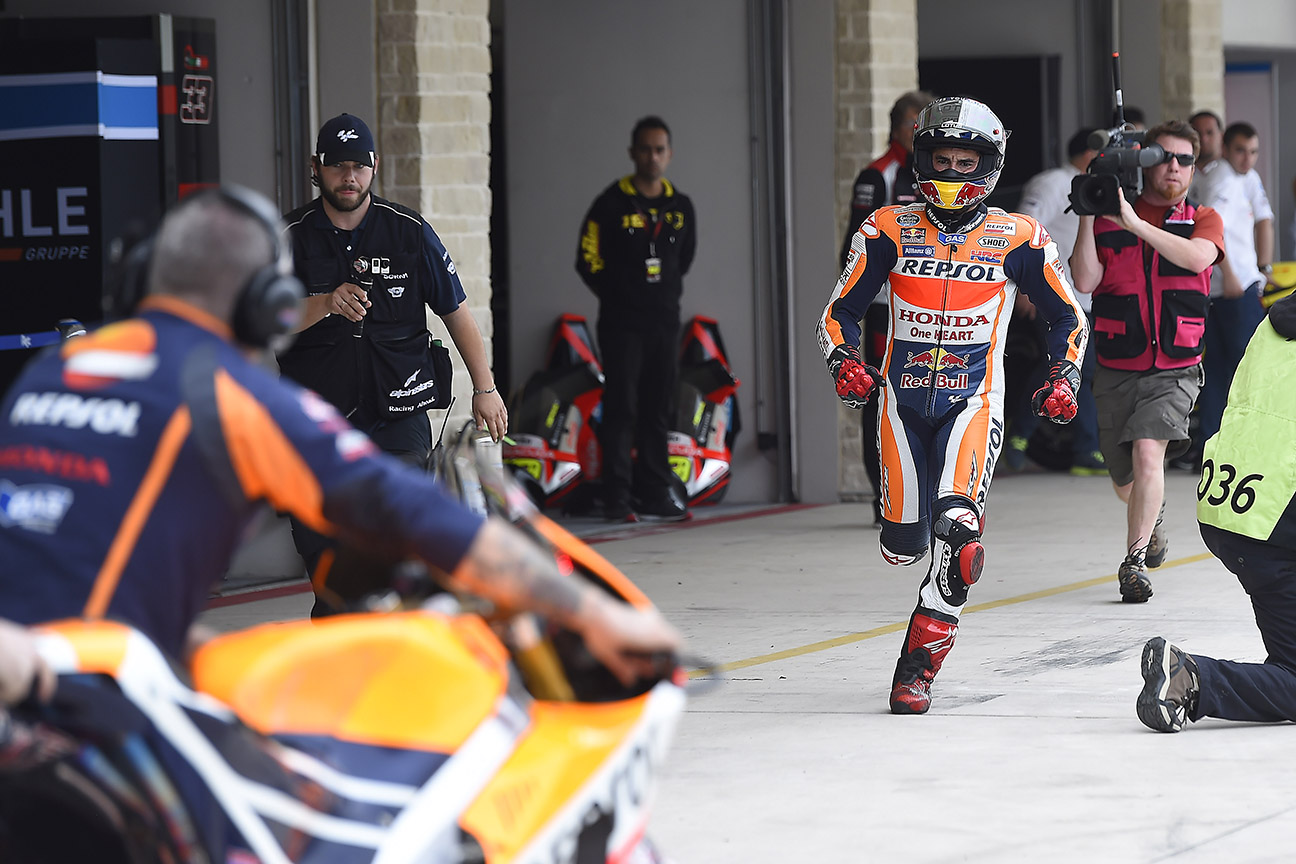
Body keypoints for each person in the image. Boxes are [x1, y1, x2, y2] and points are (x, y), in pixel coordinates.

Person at [0, 186, 679, 683]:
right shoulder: (233, 400)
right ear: (265, 306)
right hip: (83, 695)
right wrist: (588, 610)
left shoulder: (52, 373)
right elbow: (424, 520)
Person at [818, 97, 1088, 715]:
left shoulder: (1019, 236)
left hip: (976, 400)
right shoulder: (885, 226)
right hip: (898, 403)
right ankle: (906, 533)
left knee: (959, 538)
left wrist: (1063, 377)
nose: (953, 172)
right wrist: (845, 363)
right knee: (903, 543)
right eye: (942, 159)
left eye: (967, 161)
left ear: (990, 165)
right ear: (920, 160)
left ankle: (916, 671)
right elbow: (840, 311)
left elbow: (1065, 316)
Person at [275, 114, 508, 604]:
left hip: (397, 417)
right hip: (316, 426)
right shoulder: (289, 237)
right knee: (329, 570)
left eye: (358, 165)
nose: (349, 176)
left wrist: (484, 389)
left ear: (375, 166)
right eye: (337, 166)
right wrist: (322, 303)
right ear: (316, 168)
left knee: (391, 548)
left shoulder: (408, 232)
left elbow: (457, 313)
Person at [1070, 120, 1225, 603]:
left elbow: (1200, 259)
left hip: (1176, 367)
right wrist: (1086, 212)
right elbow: (1084, 280)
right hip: (1118, 364)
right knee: (1126, 480)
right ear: (1146, 161)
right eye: (1164, 158)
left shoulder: (1203, 217)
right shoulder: (1106, 219)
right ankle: (1151, 520)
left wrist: (1137, 225)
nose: (1174, 168)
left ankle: (1133, 563)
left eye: (1184, 160)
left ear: (1194, 168)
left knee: (1148, 452)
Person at [1138, 292, 1296, 732]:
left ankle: (1190, 680)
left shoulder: (1274, 322)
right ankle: (1191, 677)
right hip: (1275, 524)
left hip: (1235, 510)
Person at [575, 116, 697, 523]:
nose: (652, 157)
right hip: (622, 324)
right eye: (645, 149)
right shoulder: (610, 203)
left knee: (658, 408)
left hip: (664, 322)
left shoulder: (680, 208)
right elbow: (587, 260)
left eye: (660, 149)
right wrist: (621, 295)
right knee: (622, 407)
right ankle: (616, 496)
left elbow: (685, 260)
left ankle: (654, 492)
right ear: (632, 153)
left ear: (670, 154)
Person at [838, 90, 934, 522]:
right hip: (885, 309)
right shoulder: (878, 176)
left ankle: (931, 493)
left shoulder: (945, 172)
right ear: (898, 128)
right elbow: (852, 250)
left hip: (939, 309)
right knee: (882, 396)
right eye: (916, 127)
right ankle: (885, 497)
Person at [1013, 128, 1105, 476]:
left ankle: (1024, 433)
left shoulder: (1095, 188)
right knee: (1077, 366)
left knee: (1070, 367)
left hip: (1086, 298)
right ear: (1089, 154)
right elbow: (1023, 229)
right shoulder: (1053, 182)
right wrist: (1025, 287)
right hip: (1054, 297)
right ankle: (1080, 448)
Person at [1187, 121, 1273, 469]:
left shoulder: (1245, 177)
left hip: (1238, 286)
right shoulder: (1221, 178)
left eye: (1253, 152)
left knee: (1220, 370)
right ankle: (1240, 446)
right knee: (1244, 370)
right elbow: (1211, 229)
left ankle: (1213, 447)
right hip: (1229, 291)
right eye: (1240, 150)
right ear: (1225, 148)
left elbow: (1264, 218)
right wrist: (1233, 275)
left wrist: (1264, 268)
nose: (1248, 159)